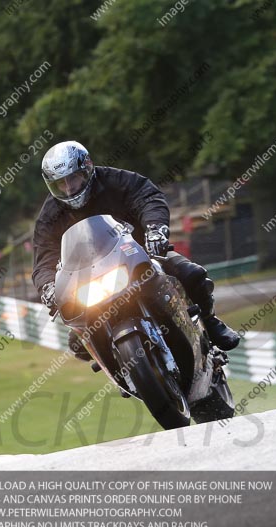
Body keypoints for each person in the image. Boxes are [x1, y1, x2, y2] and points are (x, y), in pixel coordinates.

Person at [32, 140, 240, 361]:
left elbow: (148, 198)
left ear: (87, 168)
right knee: (79, 342)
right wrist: (48, 287)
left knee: (191, 274)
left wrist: (155, 229)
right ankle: (120, 370)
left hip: (141, 255)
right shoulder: (50, 216)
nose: (68, 188)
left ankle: (211, 322)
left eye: (72, 178)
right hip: (89, 280)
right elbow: (44, 256)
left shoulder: (116, 180)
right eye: (60, 184)